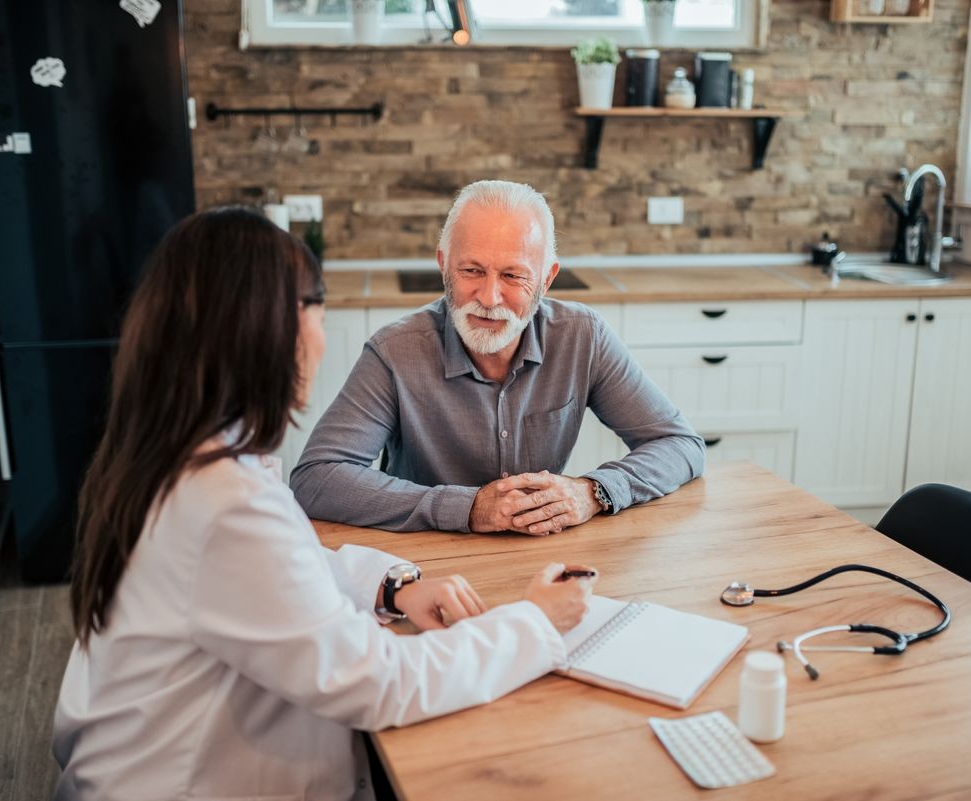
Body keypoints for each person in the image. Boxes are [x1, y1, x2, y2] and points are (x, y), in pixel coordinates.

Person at [53, 207, 594, 801]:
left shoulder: (181, 455)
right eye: (318, 307)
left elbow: (282, 565)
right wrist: (534, 622)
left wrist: (392, 584)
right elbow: (381, 683)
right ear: (272, 327)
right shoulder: (224, 504)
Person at [292, 180, 704, 535]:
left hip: (541, 560)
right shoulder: (395, 351)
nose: (489, 298)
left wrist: (593, 491)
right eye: (471, 271)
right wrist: (468, 508)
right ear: (443, 264)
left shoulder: (583, 336)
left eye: (513, 276)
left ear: (547, 278)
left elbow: (679, 444)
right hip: (427, 565)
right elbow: (317, 478)